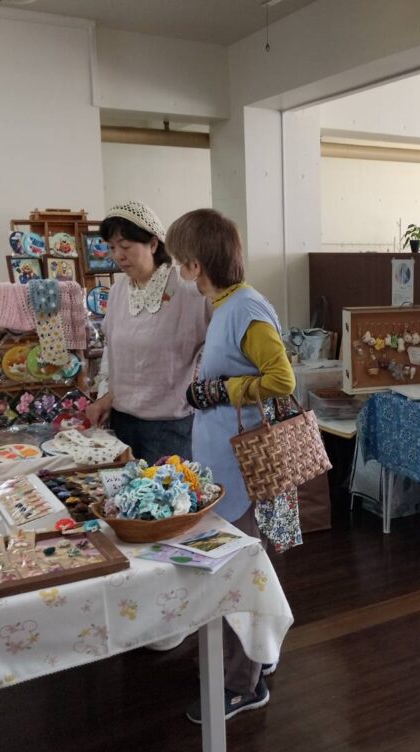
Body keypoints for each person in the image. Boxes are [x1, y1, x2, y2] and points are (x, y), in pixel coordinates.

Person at [166, 208, 295, 722]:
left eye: (179, 260)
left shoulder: (244, 308)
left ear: (196, 264)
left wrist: (223, 390)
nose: (177, 268)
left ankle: (243, 684)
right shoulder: (225, 305)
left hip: (244, 469)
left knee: (240, 573)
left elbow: (281, 380)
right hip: (228, 464)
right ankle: (259, 658)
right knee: (246, 568)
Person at [84, 201, 211, 463]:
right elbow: (115, 354)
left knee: (168, 489)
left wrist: (201, 385)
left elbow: (221, 339)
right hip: (122, 423)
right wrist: (106, 399)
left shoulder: (186, 287)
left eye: (125, 246)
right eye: (112, 248)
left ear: (153, 244)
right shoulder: (118, 291)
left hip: (169, 428)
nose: (118, 255)